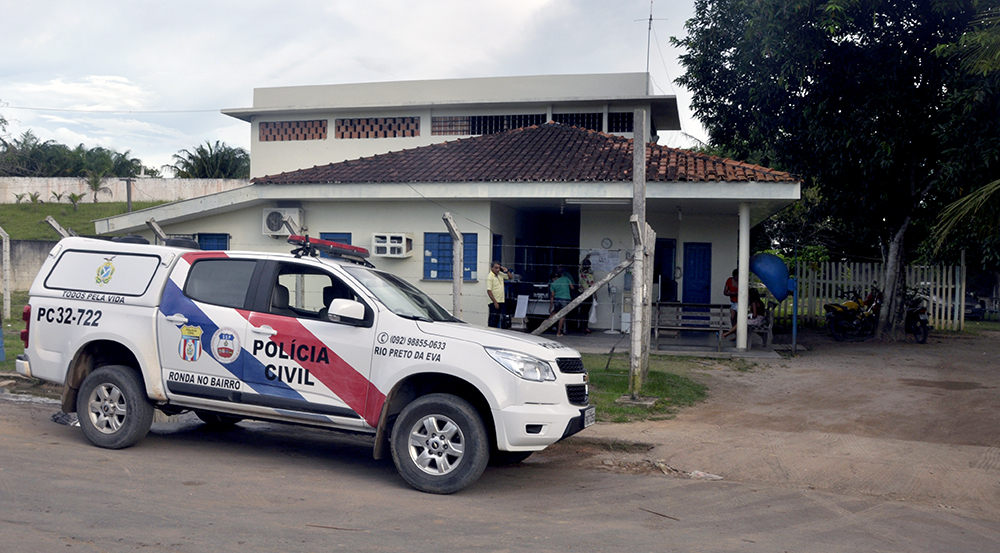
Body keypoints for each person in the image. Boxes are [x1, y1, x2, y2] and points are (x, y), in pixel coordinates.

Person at [549, 267, 575, 337]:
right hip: (566, 299)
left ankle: (545, 326)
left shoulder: (553, 284)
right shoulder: (566, 279)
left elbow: (552, 296)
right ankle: (559, 332)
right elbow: (572, 287)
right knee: (562, 315)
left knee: (554, 312)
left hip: (557, 300)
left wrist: (551, 306)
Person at [486, 261, 510, 328]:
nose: (498, 270)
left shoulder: (500, 274)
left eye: (499, 268)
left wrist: (507, 271)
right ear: (492, 268)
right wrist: (495, 302)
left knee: (498, 319)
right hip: (494, 302)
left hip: (501, 300)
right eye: (496, 268)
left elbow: (510, 277)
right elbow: (489, 291)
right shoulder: (490, 277)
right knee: (493, 319)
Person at [578, 256, 595, 334]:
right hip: (588, 294)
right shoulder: (589, 274)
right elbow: (592, 285)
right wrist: (595, 294)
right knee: (586, 311)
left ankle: (580, 326)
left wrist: (585, 258)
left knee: (582, 311)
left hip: (581, 293)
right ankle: (585, 327)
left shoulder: (580, 272)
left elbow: (580, 265)